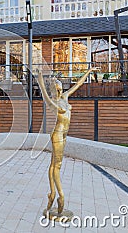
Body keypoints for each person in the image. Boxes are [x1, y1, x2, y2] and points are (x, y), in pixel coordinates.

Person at [37, 67, 100, 215]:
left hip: (64, 135)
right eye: (57, 89)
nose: (59, 91)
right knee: (57, 166)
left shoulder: (64, 97)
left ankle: (51, 193)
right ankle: (60, 195)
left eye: (60, 88)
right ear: (53, 90)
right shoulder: (53, 103)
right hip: (57, 135)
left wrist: (88, 71)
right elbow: (45, 95)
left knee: (53, 165)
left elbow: (77, 85)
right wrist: (40, 81)